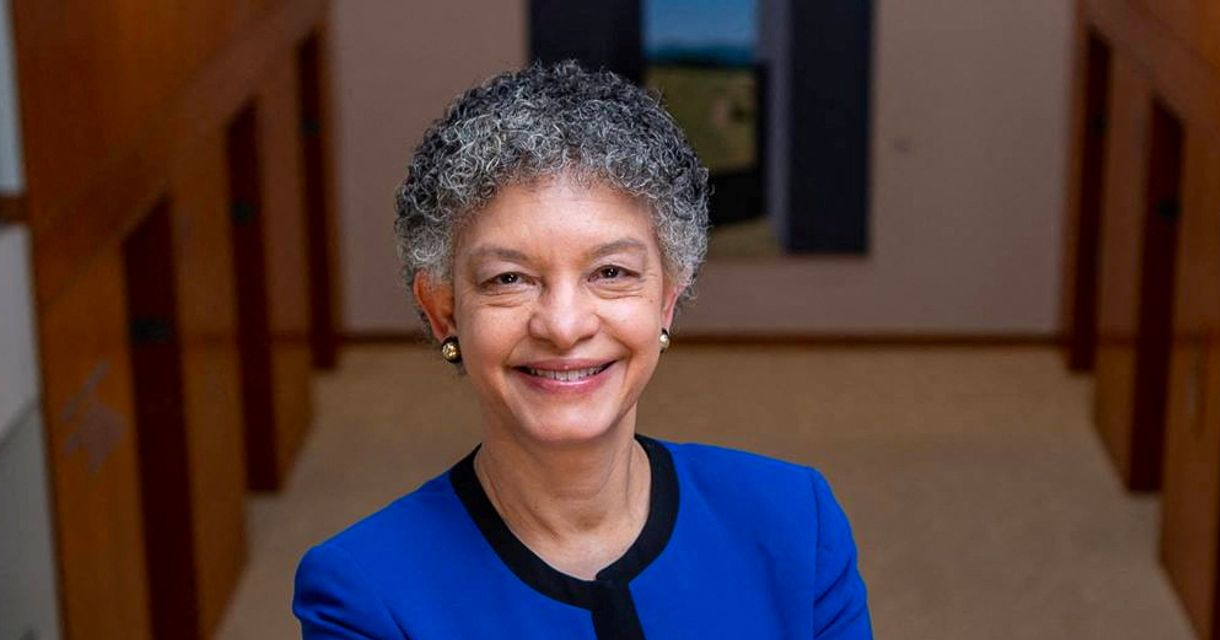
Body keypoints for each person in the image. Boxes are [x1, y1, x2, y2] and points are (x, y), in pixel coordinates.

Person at [292, 61, 871, 639]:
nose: (564, 327)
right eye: (509, 279)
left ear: (667, 298)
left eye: (611, 272)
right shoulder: (364, 593)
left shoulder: (796, 522)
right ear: (443, 311)